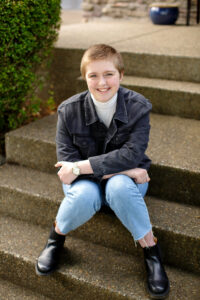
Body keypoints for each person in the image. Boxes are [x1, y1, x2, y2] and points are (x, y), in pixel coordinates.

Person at [36, 44, 170, 299]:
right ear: (85, 77)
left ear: (121, 75)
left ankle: (152, 252)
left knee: (119, 186)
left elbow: (131, 154)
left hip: (121, 183)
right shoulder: (68, 110)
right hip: (87, 183)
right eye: (93, 75)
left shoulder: (139, 106)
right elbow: (66, 165)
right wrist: (130, 170)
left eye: (108, 74)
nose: (102, 83)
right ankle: (56, 239)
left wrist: (84, 167)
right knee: (86, 195)